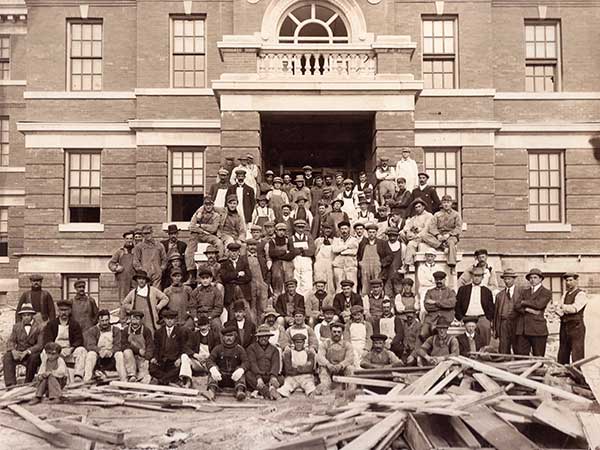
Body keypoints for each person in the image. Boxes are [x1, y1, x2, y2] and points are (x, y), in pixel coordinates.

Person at [42, 299, 87, 382]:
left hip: (69, 351)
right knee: (44, 353)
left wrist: (71, 349)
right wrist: (56, 350)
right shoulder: (51, 324)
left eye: (66, 310)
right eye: (61, 310)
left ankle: (78, 376)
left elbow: (79, 340)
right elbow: (47, 340)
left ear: (70, 311)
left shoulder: (74, 324)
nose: (63, 313)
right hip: (55, 351)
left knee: (82, 350)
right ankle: (47, 374)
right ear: (58, 311)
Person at [149, 309, 193, 387]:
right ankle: (169, 381)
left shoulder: (180, 332)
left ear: (175, 320)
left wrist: (179, 358)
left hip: (173, 361)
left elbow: (183, 347)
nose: (169, 321)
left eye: (172, 319)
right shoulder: (159, 332)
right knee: (152, 368)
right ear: (164, 319)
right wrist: (155, 357)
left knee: (180, 369)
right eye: (167, 319)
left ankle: (162, 380)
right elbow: (156, 347)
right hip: (162, 361)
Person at [3, 303, 43, 387]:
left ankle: (27, 382)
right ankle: (11, 384)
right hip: (19, 353)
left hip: (31, 354)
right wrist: (13, 350)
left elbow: (40, 345)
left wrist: (28, 351)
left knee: (34, 357)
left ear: (32, 315)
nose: (26, 317)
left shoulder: (39, 327)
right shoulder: (16, 327)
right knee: (7, 356)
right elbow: (11, 341)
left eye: (28, 315)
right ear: (21, 316)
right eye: (24, 315)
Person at [206, 323, 249, 401]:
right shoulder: (218, 348)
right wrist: (213, 369)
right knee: (213, 369)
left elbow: (246, 361)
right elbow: (210, 360)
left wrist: (241, 369)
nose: (228, 338)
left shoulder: (239, 349)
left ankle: (240, 391)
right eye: (226, 336)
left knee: (239, 369)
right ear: (223, 337)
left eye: (231, 336)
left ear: (235, 337)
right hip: (220, 378)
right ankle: (211, 391)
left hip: (234, 378)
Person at [514, 268, 552, 357]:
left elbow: (539, 305)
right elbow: (516, 306)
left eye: (535, 277)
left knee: (538, 357)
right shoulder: (524, 291)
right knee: (522, 357)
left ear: (540, 279)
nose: (532, 280)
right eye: (530, 278)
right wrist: (527, 309)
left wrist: (524, 302)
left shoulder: (546, 292)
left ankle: (538, 371)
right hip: (523, 330)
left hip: (537, 330)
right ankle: (525, 371)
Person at [420, 195, 462, 270]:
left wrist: (449, 234)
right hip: (439, 237)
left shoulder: (456, 214)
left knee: (451, 242)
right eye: (444, 202)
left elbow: (458, 228)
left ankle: (452, 264)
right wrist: (437, 235)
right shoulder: (437, 214)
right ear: (442, 204)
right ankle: (442, 246)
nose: (446, 204)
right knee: (424, 235)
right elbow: (432, 227)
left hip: (451, 236)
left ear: (451, 203)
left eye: (448, 202)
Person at [83, 309, 126, 382]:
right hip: (99, 356)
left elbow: (118, 345)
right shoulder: (93, 330)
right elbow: (90, 345)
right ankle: (87, 379)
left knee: (120, 354)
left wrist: (111, 351)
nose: (105, 323)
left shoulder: (116, 330)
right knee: (91, 354)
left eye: (106, 320)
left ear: (109, 319)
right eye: (102, 321)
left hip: (111, 355)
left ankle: (123, 380)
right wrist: (100, 351)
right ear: (98, 321)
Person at [455, 266, 494, 345]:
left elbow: (491, 307)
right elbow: (457, 306)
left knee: (485, 334)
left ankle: (483, 354)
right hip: (467, 317)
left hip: (482, 318)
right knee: (468, 341)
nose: (477, 278)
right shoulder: (463, 290)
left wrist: (488, 319)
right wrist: (461, 318)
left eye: (479, 276)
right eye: (475, 275)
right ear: (472, 276)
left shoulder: (487, 291)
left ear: (482, 277)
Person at [187, 196, 224, 278]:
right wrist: (199, 228)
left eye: (210, 204)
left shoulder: (216, 215)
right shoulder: (198, 213)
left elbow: (213, 228)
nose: (208, 206)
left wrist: (201, 225)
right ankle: (191, 274)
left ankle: (218, 266)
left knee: (219, 243)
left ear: (213, 205)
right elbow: (191, 226)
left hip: (208, 235)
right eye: (206, 204)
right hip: (196, 235)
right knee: (188, 252)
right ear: (204, 205)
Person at [556, 272, 587, 364]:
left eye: (571, 280)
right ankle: (563, 373)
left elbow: (574, 309)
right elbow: (559, 311)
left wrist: (562, 307)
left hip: (576, 327)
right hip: (564, 326)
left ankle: (578, 376)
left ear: (576, 281)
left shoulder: (581, 294)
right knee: (563, 352)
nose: (568, 282)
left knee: (577, 354)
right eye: (567, 280)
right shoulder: (565, 294)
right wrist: (560, 309)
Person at [316, 322, 354, 394]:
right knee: (323, 370)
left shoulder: (347, 345)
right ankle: (325, 387)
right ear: (331, 332)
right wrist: (328, 364)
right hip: (329, 367)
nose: (336, 334)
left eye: (339, 332)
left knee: (350, 368)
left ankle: (351, 390)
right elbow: (320, 356)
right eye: (334, 332)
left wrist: (341, 365)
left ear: (342, 333)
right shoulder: (325, 344)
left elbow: (350, 358)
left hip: (342, 368)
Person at [246, 324, 282, 400]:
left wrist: (273, 376)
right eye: (261, 336)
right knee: (248, 375)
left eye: (266, 336)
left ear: (269, 337)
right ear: (258, 337)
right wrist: (258, 377)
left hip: (269, 375)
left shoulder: (274, 349)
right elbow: (253, 363)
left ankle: (262, 390)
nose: (264, 338)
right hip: (256, 376)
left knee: (281, 378)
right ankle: (269, 392)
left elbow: (276, 364)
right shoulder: (251, 348)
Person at [278, 334, 317, 398]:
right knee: (285, 389)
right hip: (292, 377)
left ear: (304, 342)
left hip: (306, 377)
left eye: (300, 342)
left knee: (311, 388)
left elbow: (309, 368)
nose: (299, 344)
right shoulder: (289, 353)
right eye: (297, 342)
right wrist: (303, 368)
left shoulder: (309, 353)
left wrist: (296, 368)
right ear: (293, 343)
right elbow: (288, 369)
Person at [421, 271, 457, 340]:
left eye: (441, 280)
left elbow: (452, 303)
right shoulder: (430, 292)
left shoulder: (450, 291)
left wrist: (435, 302)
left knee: (437, 332)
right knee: (423, 333)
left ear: (445, 280)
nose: (439, 281)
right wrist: (444, 305)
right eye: (437, 280)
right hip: (431, 318)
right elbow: (427, 306)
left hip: (446, 318)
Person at [400, 199, 433, 272]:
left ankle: (407, 265)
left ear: (423, 207)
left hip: (425, 237)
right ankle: (405, 256)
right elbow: (406, 227)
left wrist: (417, 234)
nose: (417, 209)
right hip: (414, 236)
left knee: (411, 244)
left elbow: (426, 229)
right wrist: (408, 232)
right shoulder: (414, 217)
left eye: (419, 207)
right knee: (401, 234)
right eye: (416, 207)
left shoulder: (429, 216)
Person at [121, 310, 154, 382]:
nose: (135, 322)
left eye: (137, 319)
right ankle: (131, 375)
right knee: (127, 351)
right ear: (130, 320)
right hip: (130, 359)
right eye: (133, 319)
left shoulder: (146, 331)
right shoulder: (126, 330)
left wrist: (147, 358)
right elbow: (123, 345)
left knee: (145, 377)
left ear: (141, 320)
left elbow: (150, 346)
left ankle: (140, 377)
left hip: (142, 358)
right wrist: (138, 350)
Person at [493, 268, 520, 355]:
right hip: (503, 324)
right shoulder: (499, 295)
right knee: (504, 348)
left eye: (509, 278)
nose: (507, 281)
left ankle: (518, 366)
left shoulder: (521, 292)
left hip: (517, 323)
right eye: (505, 279)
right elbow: (496, 314)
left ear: (514, 279)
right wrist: (495, 329)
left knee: (518, 348)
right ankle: (504, 366)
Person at [220, 242, 253, 313]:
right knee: (231, 312)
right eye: (232, 251)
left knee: (246, 312)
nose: (234, 253)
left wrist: (233, 279)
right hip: (230, 292)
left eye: (236, 251)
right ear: (228, 252)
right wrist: (238, 274)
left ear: (239, 252)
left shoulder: (244, 263)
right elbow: (224, 277)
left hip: (243, 290)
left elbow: (248, 277)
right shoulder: (224, 264)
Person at [133, 225, 167, 289]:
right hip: (145, 274)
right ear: (143, 235)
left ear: (152, 233)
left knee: (156, 293)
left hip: (156, 273)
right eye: (145, 234)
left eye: (149, 233)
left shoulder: (159, 245)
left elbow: (164, 259)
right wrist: (141, 271)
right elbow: (136, 261)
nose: (147, 235)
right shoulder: (139, 246)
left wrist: (161, 269)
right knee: (145, 292)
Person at [108, 231, 137, 302]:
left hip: (135, 279)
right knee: (124, 300)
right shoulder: (120, 252)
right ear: (124, 239)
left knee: (135, 298)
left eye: (131, 238)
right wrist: (116, 268)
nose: (129, 240)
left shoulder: (137, 250)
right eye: (127, 238)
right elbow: (111, 263)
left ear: (133, 239)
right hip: (123, 280)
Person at [268, 223, 296, 296]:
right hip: (276, 264)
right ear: (276, 231)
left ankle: (290, 298)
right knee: (277, 278)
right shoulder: (272, 241)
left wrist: (279, 255)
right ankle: (277, 298)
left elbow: (292, 254)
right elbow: (272, 253)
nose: (281, 232)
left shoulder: (288, 240)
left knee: (289, 280)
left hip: (288, 264)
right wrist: (284, 252)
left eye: (283, 230)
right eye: (280, 230)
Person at [290, 218, 315, 297]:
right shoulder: (291, 238)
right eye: (298, 227)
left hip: (306, 260)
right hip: (296, 260)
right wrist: (301, 250)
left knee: (307, 281)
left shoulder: (308, 238)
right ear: (295, 228)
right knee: (296, 279)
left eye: (302, 227)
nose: (300, 229)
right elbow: (292, 251)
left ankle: (306, 300)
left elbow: (311, 251)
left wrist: (301, 251)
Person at [332, 221, 359, 292]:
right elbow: (335, 250)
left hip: (351, 266)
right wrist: (347, 246)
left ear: (349, 229)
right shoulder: (336, 240)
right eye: (342, 229)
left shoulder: (354, 240)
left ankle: (353, 302)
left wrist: (341, 251)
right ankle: (339, 302)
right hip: (339, 266)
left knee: (353, 285)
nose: (344, 231)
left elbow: (354, 252)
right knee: (339, 286)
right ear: (339, 230)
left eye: (345, 229)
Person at [246, 238, 269, 321]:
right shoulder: (243, 258)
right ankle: (254, 328)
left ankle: (263, 326)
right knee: (252, 307)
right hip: (250, 285)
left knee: (263, 308)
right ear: (247, 246)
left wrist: (266, 284)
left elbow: (267, 272)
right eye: (250, 245)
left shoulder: (261, 258)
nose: (252, 247)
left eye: (254, 245)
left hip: (261, 284)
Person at [357, 223, 384, 296]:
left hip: (376, 267)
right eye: (370, 232)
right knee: (365, 286)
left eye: (373, 232)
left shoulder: (381, 243)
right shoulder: (362, 243)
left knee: (377, 284)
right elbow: (358, 255)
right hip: (365, 268)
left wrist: (382, 263)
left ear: (376, 233)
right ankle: (365, 301)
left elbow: (388, 255)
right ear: (367, 233)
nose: (371, 234)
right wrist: (360, 263)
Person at [379, 227, 404, 298]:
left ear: (397, 236)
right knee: (387, 293)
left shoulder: (402, 246)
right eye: (390, 236)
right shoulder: (384, 245)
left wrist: (402, 269)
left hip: (398, 275)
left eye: (394, 236)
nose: (392, 238)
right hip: (387, 274)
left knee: (398, 293)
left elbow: (404, 260)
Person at [313, 223, 336, 294]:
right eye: (326, 228)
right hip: (319, 264)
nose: (327, 230)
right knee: (319, 281)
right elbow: (314, 253)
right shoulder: (318, 241)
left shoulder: (334, 241)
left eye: (329, 229)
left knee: (330, 283)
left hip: (329, 264)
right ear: (322, 230)